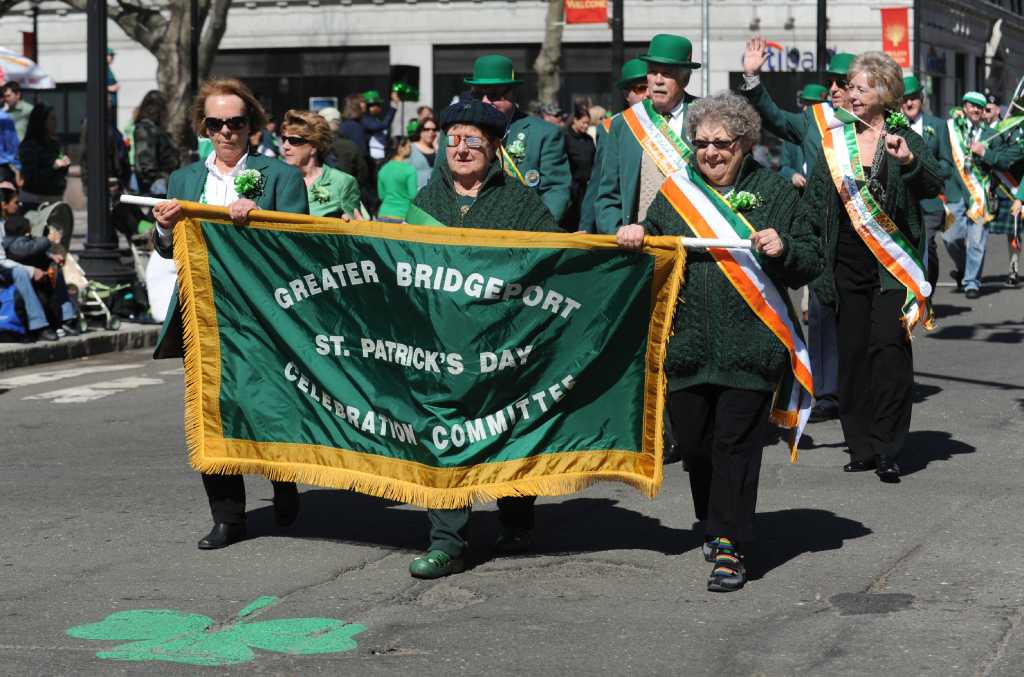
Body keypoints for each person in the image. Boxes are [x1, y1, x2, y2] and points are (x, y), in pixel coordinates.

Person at [616, 92, 821, 592]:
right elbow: (654, 246)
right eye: (702, 143)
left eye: (722, 143)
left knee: (736, 446)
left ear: (745, 144)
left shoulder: (775, 193)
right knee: (697, 447)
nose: (710, 152)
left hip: (752, 346)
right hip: (687, 346)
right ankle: (714, 519)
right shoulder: (676, 192)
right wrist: (637, 234)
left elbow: (810, 259)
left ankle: (730, 544)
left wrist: (784, 247)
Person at [150, 77, 309, 551]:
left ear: (251, 126)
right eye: (216, 123)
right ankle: (228, 517)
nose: (225, 132)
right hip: (204, 314)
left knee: (270, 407)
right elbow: (165, 252)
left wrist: (260, 221)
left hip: (263, 316)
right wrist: (162, 229)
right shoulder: (182, 181)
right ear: (204, 126)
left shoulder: (277, 176)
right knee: (211, 413)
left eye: (235, 122)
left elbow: (302, 247)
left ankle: (284, 479)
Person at [404, 98, 558, 578]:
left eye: (473, 140)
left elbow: (553, 262)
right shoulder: (427, 202)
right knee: (445, 434)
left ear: (494, 148)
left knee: (509, 428)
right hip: (440, 344)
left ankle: (516, 518)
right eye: (453, 139)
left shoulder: (519, 203)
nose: (461, 149)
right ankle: (447, 542)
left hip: (502, 341)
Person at [801, 52, 942, 482]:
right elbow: (816, 205)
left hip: (890, 266)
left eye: (862, 88)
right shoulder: (833, 138)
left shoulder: (904, 137)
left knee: (889, 352)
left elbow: (934, 184)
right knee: (854, 355)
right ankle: (860, 444)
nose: (851, 94)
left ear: (885, 92)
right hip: (843, 261)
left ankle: (887, 446)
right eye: (849, 86)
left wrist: (907, 162)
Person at [740, 39, 856, 424]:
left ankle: (856, 385)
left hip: (863, 231)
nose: (836, 89)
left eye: (844, 83)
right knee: (820, 311)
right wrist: (753, 77)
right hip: (820, 231)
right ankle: (825, 392)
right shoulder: (814, 119)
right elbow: (774, 117)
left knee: (856, 312)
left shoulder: (878, 121)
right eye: (832, 84)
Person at [435, 54, 571, 223]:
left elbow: (555, 191)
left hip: (520, 235)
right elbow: (438, 183)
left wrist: (538, 229)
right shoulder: (452, 133)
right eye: (478, 96)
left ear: (512, 94)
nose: (485, 102)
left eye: (494, 95)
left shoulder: (543, 134)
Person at [595, 35, 701, 234]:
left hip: (694, 240)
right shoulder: (623, 124)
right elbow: (608, 195)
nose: (658, 81)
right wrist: (617, 232)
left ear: (685, 78)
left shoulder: (707, 116)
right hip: (638, 245)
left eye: (667, 73)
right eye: (653, 72)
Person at [901, 75, 954, 324]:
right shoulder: (894, 126)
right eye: (904, 99)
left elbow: (947, 163)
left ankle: (926, 292)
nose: (908, 103)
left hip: (930, 201)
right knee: (905, 248)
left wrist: (928, 172)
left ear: (921, 99)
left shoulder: (938, 125)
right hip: (902, 201)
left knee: (928, 247)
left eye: (913, 98)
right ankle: (908, 298)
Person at [579, 58, 649, 232]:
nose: (647, 94)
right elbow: (600, 183)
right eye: (640, 88)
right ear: (627, 95)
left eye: (650, 87)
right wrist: (586, 228)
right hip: (630, 228)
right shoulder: (612, 127)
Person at [0, 183, 77, 340]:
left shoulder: (15, 221)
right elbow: (2, 260)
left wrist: (49, 257)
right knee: (20, 273)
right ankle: (39, 324)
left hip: (13, 263)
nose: (19, 204)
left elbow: (25, 246)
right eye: (15, 202)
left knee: (53, 268)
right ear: (3, 205)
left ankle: (66, 317)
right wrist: (31, 270)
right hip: (6, 269)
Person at [964, 94, 1024, 289]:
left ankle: (1013, 269)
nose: (985, 113)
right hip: (990, 189)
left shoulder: (1015, 129)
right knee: (979, 229)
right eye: (984, 109)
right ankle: (970, 271)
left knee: (1013, 232)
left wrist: (985, 153)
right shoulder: (985, 131)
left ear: (998, 110)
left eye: (989, 109)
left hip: (1010, 188)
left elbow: (1007, 158)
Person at [942, 91, 996, 299]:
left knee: (976, 242)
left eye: (980, 107)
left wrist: (985, 152)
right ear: (964, 107)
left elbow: (1000, 159)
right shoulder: (949, 128)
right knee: (949, 237)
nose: (975, 110)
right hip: (955, 192)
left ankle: (972, 282)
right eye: (972, 105)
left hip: (980, 196)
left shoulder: (990, 133)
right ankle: (964, 269)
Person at [280, 109, 361, 218]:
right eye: (284, 139)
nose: (285, 146)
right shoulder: (277, 179)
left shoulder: (342, 183)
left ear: (314, 146)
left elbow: (354, 227)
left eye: (293, 140)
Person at [318, 106, 372, 210]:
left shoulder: (314, 145)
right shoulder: (350, 145)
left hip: (321, 198)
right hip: (347, 198)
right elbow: (363, 173)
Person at [18, 104, 70, 212]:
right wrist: (54, 166)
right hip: (34, 200)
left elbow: (60, 174)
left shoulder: (54, 144)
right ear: (41, 121)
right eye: (52, 118)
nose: (55, 122)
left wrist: (64, 166)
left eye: (55, 118)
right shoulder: (29, 146)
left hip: (55, 198)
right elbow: (31, 176)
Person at [131, 90, 180, 197]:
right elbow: (145, 161)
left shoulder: (155, 128)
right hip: (157, 186)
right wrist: (157, 178)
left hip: (164, 182)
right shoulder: (145, 128)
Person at [563, 103, 595, 230]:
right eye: (583, 122)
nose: (586, 126)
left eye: (588, 123)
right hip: (571, 186)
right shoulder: (565, 137)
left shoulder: (588, 139)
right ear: (575, 120)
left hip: (586, 186)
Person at [376, 136, 418, 222]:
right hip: (402, 215)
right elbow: (413, 195)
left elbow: (381, 196)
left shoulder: (383, 169)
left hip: (383, 214)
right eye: (409, 146)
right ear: (400, 148)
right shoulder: (409, 170)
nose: (411, 149)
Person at [362, 90, 398, 168]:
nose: (376, 107)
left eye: (378, 105)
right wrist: (394, 106)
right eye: (372, 105)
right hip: (372, 161)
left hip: (383, 158)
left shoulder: (376, 119)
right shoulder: (364, 120)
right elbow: (382, 126)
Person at [408, 116, 438, 190]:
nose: (431, 132)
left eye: (434, 129)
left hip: (435, 193)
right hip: (415, 193)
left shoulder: (438, 149)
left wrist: (437, 148)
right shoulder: (410, 148)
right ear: (420, 131)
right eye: (427, 129)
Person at [106, 48, 120, 126]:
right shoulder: (102, 68)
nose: (112, 57)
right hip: (108, 103)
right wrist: (110, 88)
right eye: (110, 55)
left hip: (113, 102)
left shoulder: (109, 69)